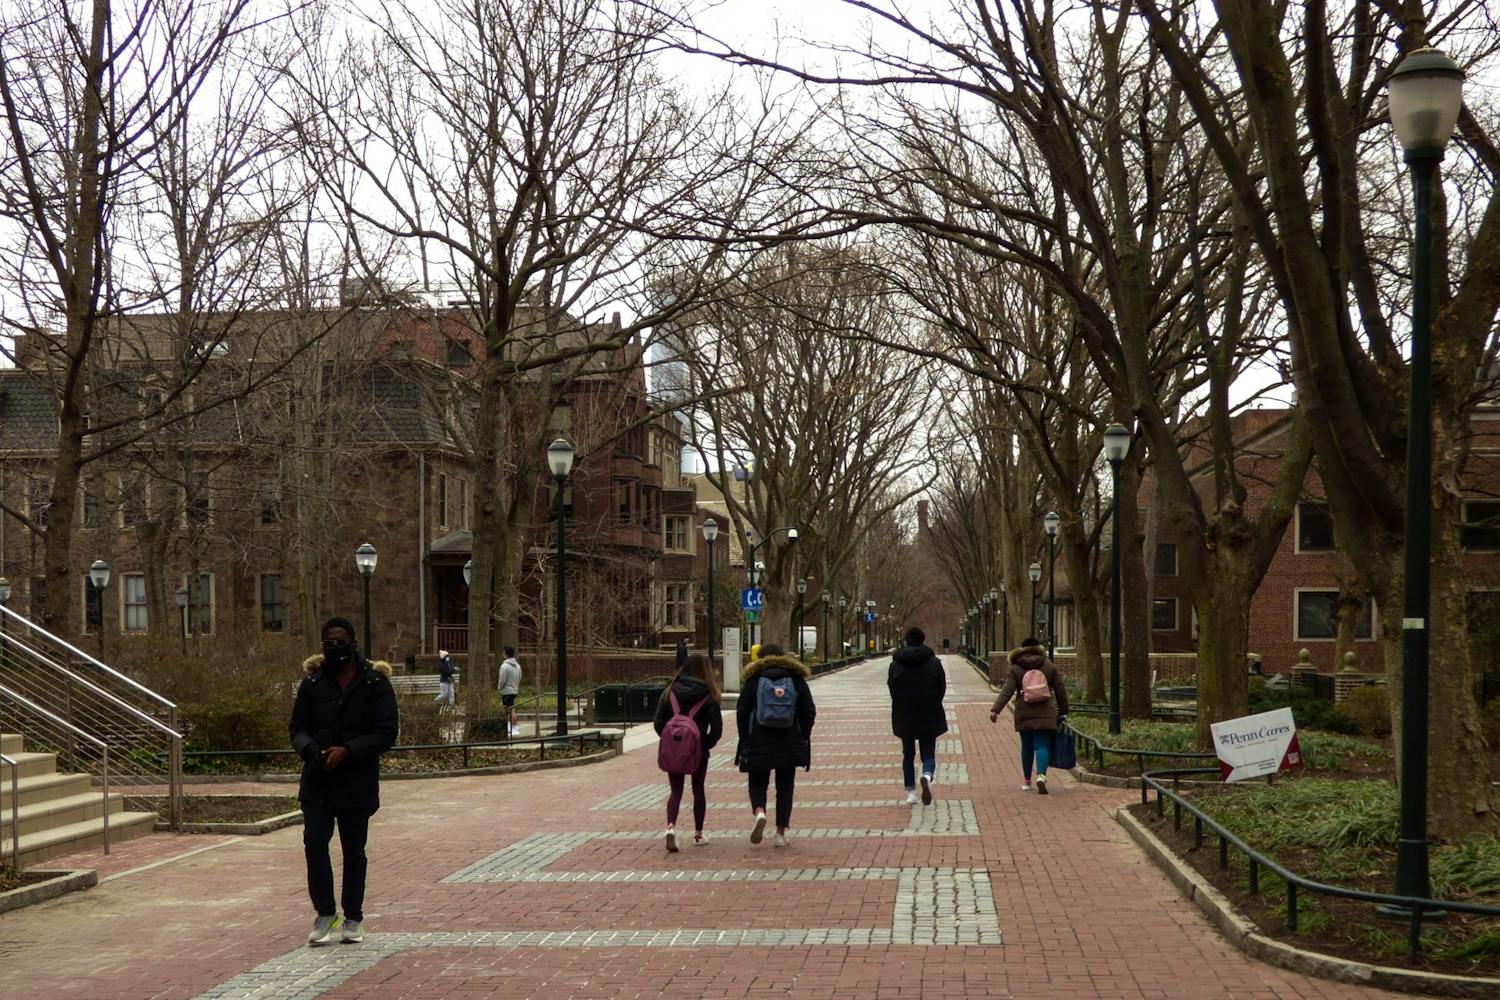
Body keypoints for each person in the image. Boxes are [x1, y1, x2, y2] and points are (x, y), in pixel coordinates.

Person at [290, 617, 399, 946]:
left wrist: (349, 751)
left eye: (340, 640)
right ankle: (325, 913)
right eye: (328, 641)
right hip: (317, 782)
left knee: (354, 850)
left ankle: (353, 917)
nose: (334, 646)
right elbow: (297, 728)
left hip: (356, 782)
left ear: (353, 643)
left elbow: (386, 732)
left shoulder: (374, 682)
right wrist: (311, 750)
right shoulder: (312, 683)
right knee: (315, 843)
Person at [736, 642, 816, 847]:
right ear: (783, 656)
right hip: (789, 740)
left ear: (759, 658)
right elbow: (809, 710)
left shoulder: (753, 680)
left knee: (757, 782)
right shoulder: (796, 679)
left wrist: (745, 737)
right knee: (785, 786)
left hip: (758, 738)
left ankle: (760, 812)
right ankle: (780, 833)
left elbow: (742, 711)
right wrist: (802, 735)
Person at [652, 653, 723, 851]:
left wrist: (671, 743)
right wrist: (703, 745)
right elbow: (717, 730)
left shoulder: (669, 692)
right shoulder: (709, 694)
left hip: (674, 750)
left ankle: (671, 827)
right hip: (698, 751)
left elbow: (658, 723)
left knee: (676, 791)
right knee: (698, 790)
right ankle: (698, 834)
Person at [989, 637, 1070, 794]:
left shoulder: (1016, 667)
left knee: (1026, 746)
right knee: (1042, 745)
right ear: (1038, 648)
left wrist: (995, 710)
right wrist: (1063, 712)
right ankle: (1041, 775)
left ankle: (1027, 781)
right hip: (1045, 711)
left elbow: (1007, 690)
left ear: (1022, 649)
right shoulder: (1048, 665)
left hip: (1024, 711)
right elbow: (1061, 691)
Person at [887, 626, 947, 805]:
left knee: (908, 754)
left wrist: (901, 704)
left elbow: (892, 687)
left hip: (904, 714)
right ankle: (927, 775)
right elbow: (941, 687)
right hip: (929, 711)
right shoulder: (934, 663)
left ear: (906, 641)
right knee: (928, 751)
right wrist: (934, 701)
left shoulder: (895, 664)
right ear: (923, 640)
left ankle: (911, 793)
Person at [498, 646, 522, 737]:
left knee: (509, 710)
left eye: (503, 653)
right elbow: (519, 677)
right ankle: (511, 727)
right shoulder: (518, 666)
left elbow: (502, 680)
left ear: (506, 654)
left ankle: (513, 728)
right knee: (511, 709)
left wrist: (500, 687)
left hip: (506, 691)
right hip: (514, 689)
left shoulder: (504, 666)